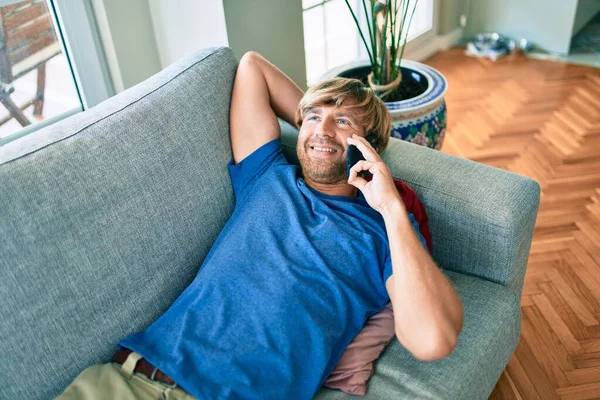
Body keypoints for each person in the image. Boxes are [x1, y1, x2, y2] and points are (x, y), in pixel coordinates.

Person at [58, 51, 464, 400]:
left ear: (370, 144)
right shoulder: (268, 175)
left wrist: (391, 206)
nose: (322, 129)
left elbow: (434, 339)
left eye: (343, 122)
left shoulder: (384, 232)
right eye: (313, 118)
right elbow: (253, 66)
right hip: (125, 380)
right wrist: (320, 124)